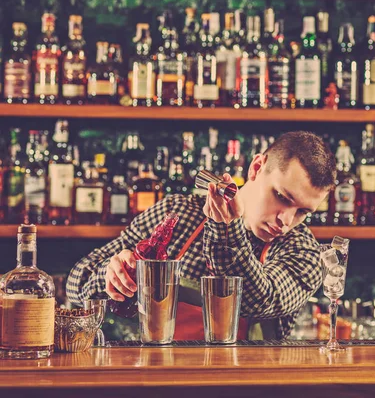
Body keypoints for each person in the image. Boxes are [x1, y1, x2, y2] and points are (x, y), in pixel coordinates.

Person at [66, 131, 337, 339]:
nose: (285, 220)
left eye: (303, 211)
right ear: (256, 168)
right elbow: (77, 282)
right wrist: (111, 276)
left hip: (242, 386)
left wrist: (225, 229)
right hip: (152, 379)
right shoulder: (178, 212)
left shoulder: (303, 252)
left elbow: (258, 301)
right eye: (281, 197)